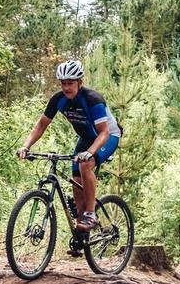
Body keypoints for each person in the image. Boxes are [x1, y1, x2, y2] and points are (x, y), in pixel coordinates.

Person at [16, 59, 121, 231]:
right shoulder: (59, 99)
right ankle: (81, 234)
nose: (66, 88)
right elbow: (41, 125)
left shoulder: (93, 99)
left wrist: (90, 153)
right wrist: (26, 146)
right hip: (86, 139)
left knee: (85, 165)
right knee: (76, 181)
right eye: (63, 83)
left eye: (70, 83)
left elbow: (104, 132)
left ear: (80, 82)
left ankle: (91, 214)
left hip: (107, 137)